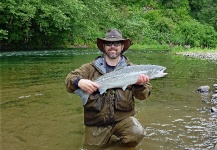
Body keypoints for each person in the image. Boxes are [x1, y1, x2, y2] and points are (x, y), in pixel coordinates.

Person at [65, 29, 152, 148]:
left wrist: (139, 85)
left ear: (122, 47)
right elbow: (69, 80)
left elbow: (144, 96)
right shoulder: (90, 68)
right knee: (91, 147)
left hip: (123, 119)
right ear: (104, 47)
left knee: (136, 134)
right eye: (109, 43)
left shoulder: (134, 70)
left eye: (116, 44)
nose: (113, 46)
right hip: (97, 121)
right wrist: (79, 82)